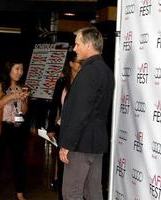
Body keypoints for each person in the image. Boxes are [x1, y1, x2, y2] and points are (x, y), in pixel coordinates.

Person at [58, 27, 114, 200]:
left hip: (81, 143)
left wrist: (67, 144)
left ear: (89, 45)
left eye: (77, 44)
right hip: (96, 143)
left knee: (71, 193)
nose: (74, 49)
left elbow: (81, 112)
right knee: (93, 193)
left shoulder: (89, 72)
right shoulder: (105, 70)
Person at [0, 59, 29, 200]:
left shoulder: (23, 87)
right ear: (9, 69)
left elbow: (24, 111)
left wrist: (23, 100)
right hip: (1, 127)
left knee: (19, 161)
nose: (20, 73)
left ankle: (20, 193)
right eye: (17, 69)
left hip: (17, 127)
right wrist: (11, 96)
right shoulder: (0, 86)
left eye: (21, 69)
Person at [46, 50, 80, 198]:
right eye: (79, 62)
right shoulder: (62, 81)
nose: (81, 65)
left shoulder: (85, 80)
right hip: (63, 128)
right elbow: (54, 105)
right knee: (62, 165)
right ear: (71, 63)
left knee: (77, 165)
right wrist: (51, 128)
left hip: (80, 129)